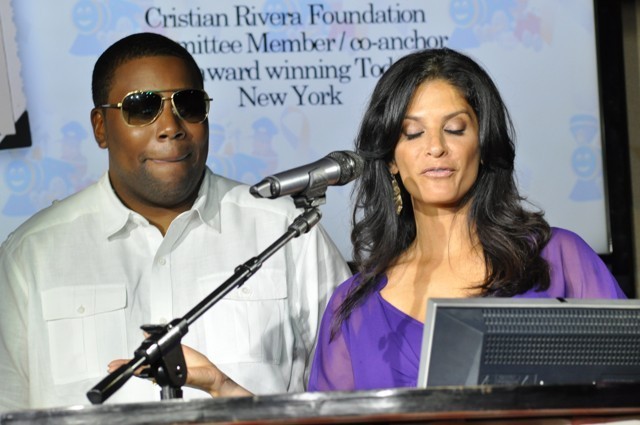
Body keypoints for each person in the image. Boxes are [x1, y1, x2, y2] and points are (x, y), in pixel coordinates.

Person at [0, 32, 352, 412]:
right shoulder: (32, 255)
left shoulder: (287, 232)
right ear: (101, 127)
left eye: (189, 104)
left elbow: (349, 396)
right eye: (142, 107)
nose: (171, 126)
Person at [306, 47, 627, 391]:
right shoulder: (354, 307)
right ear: (391, 160)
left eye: (455, 129)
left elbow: (627, 389)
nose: (435, 147)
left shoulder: (558, 258)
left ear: (484, 144)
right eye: (413, 133)